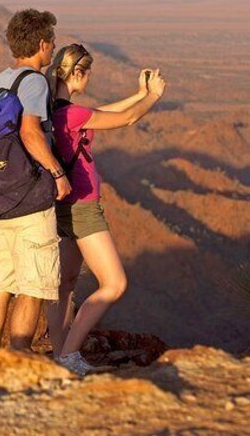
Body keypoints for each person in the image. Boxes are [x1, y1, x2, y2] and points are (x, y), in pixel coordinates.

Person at [44, 43, 166, 375]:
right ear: (77, 73)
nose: (89, 79)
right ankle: (70, 356)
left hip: (60, 208)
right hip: (83, 209)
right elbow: (125, 120)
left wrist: (136, 93)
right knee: (113, 283)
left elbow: (102, 111)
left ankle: (59, 354)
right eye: (88, 73)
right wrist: (153, 96)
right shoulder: (71, 114)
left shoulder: (54, 110)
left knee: (65, 284)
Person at [0, 9, 72, 355]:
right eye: (51, 43)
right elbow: (30, 132)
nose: (52, 50)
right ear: (41, 44)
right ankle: (18, 358)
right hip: (29, 200)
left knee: (0, 283)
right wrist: (57, 173)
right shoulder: (35, 82)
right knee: (34, 287)